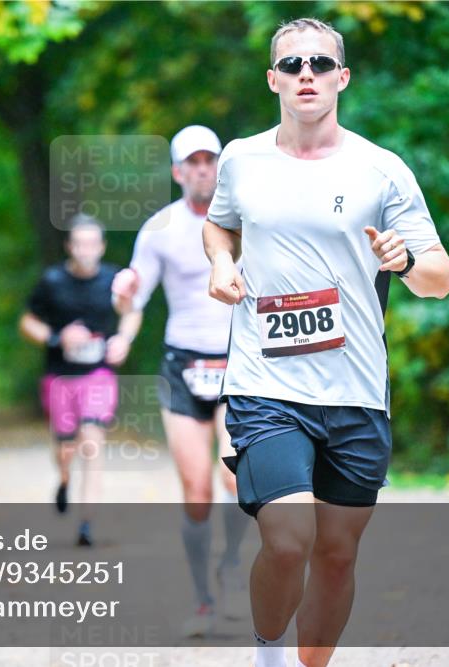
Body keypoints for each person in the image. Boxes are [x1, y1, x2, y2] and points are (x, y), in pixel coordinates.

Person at [203, 18, 449, 667]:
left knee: (337, 555)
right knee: (289, 538)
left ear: (342, 76)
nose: (305, 73)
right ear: (273, 80)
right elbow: (219, 227)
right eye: (292, 64)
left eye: (319, 62)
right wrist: (222, 265)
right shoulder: (241, 160)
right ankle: (267, 656)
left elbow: (440, 277)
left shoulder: (381, 169)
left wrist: (401, 261)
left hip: (357, 390)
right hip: (266, 385)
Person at [111, 125, 252, 637]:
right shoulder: (159, 230)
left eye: (209, 160)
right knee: (196, 491)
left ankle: (232, 563)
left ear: (220, 167)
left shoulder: (245, 224)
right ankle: (202, 598)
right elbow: (133, 300)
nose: (201, 169)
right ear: (177, 172)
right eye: (191, 162)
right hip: (181, 366)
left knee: (235, 477)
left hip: (236, 362)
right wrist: (123, 299)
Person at [20, 214, 139, 547]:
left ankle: (87, 523)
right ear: (69, 247)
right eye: (79, 243)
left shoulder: (114, 279)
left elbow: (132, 311)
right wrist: (58, 338)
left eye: (92, 243)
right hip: (59, 377)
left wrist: (123, 339)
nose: (86, 249)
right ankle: (63, 478)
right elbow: (28, 322)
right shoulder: (52, 281)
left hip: (98, 375)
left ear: (101, 247)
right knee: (66, 449)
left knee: (92, 438)